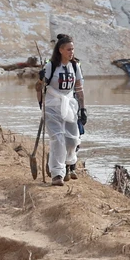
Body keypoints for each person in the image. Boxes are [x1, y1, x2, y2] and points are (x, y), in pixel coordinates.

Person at [35, 33, 85, 185]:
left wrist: (83, 109)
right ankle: (57, 174)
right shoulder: (50, 66)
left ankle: (66, 163)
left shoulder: (75, 66)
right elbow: (38, 88)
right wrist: (40, 80)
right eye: (69, 49)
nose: (71, 52)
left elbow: (79, 88)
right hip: (51, 106)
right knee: (58, 139)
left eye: (73, 49)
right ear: (61, 50)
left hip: (69, 106)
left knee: (72, 141)